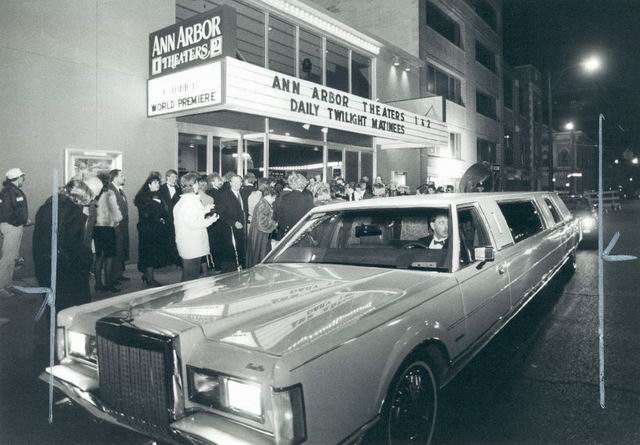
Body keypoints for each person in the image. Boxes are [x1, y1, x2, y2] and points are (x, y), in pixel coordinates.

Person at [32, 179, 94, 310]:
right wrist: (88, 257)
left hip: (44, 264)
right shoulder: (73, 211)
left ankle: (55, 330)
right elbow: (73, 244)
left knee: (53, 306)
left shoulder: (47, 205)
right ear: (80, 198)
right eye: (86, 203)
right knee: (73, 308)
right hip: (65, 268)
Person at [173, 172, 219, 282]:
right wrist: (210, 220)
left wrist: (205, 210)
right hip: (192, 245)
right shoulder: (191, 202)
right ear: (193, 185)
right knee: (191, 276)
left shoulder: (185, 200)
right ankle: (188, 298)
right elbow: (193, 224)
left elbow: (190, 217)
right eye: (197, 183)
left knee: (188, 274)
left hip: (187, 243)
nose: (198, 185)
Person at [134, 173, 173, 286]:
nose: (158, 185)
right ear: (149, 185)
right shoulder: (143, 198)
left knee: (153, 253)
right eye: (155, 183)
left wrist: (162, 218)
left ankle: (148, 276)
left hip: (156, 230)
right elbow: (147, 213)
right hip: (147, 230)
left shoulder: (159, 195)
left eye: (158, 183)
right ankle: (150, 279)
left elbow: (164, 211)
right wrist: (157, 212)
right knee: (149, 254)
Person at [0, 168, 30, 290]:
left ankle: (7, 284)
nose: (23, 179)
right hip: (12, 227)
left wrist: (23, 220)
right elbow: (6, 213)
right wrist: (20, 221)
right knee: (7, 258)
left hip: (14, 226)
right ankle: (1, 287)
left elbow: (14, 210)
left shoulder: (11, 190)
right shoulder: (9, 192)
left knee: (12, 258)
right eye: (22, 177)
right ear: (18, 177)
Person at [93, 173, 122, 292]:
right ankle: (109, 283)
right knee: (109, 257)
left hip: (96, 228)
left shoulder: (94, 194)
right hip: (108, 228)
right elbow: (117, 214)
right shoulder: (110, 193)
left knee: (99, 257)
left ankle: (98, 284)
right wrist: (118, 220)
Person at [216, 175, 247, 272]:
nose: (237, 184)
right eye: (235, 182)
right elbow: (221, 213)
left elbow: (242, 210)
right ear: (230, 183)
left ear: (242, 183)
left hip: (241, 229)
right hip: (229, 230)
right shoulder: (224, 195)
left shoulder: (242, 194)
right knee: (230, 255)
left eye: (239, 182)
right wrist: (233, 222)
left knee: (240, 250)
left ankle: (240, 269)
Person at [273, 172, 313, 239]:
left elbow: (280, 215)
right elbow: (310, 217)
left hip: (287, 232)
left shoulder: (285, 197)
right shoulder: (307, 198)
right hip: (301, 233)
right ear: (303, 183)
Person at [246, 185, 278, 268]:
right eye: (274, 197)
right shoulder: (264, 205)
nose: (274, 200)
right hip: (261, 236)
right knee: (261, 257)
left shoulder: (262, 203)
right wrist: (274, 224)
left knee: (257, 256)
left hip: (258, 235)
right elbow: (261, 224)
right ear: (269, 195)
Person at [109, 169, 130, 283]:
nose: (124, 178)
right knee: (116, 250)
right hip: (115, 226)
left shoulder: (120, 191)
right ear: (115, 177)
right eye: (122, 176)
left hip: (123, 225)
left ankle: (118, 274)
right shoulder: (110, 190)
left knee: (121, 250)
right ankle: (113, 277)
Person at [159, 169, 181, 266]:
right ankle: (166, 260)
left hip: (176, 217)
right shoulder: (161, 188)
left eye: (175, 177)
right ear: (167, 177)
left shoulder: (178, 188)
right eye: (172, 176)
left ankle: (175, 259)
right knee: (165, 238)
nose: (174, 179)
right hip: (166, 217)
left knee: (175, 238)